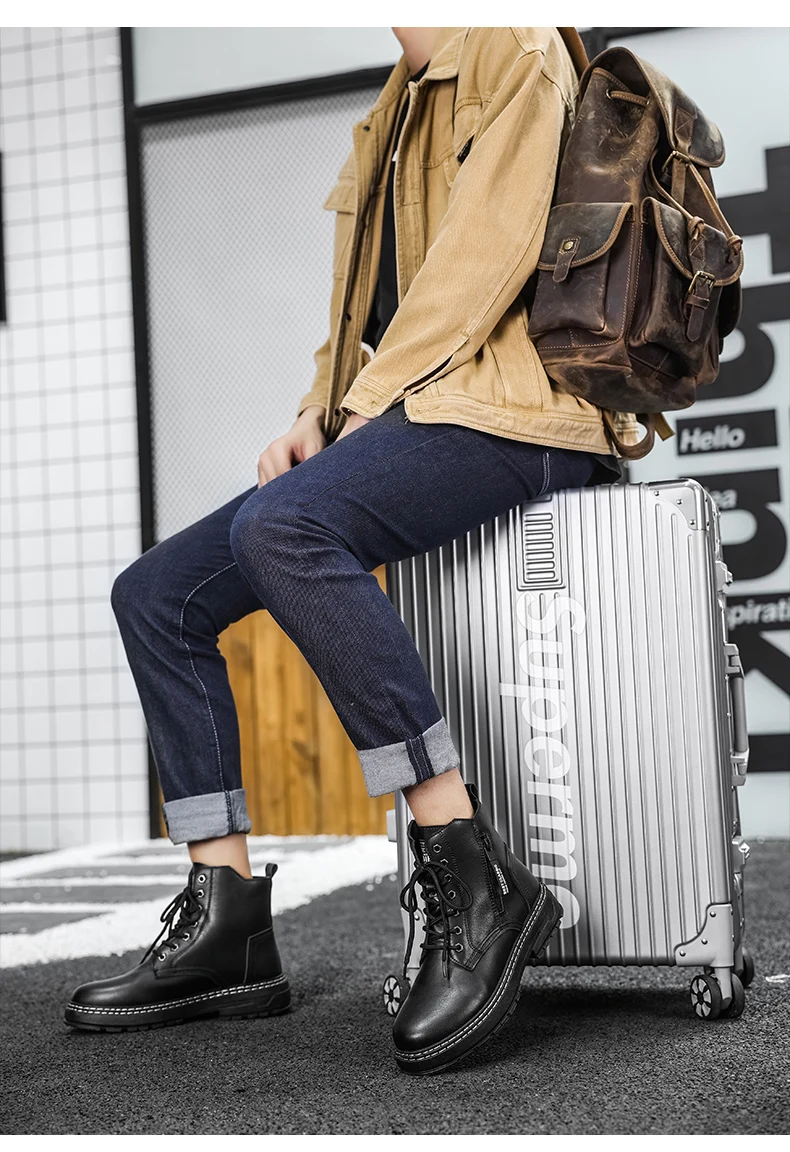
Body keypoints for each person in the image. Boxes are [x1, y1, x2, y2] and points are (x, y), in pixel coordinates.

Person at [64, 27, 643, 1073]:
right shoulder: (396, 101)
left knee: (282, 526)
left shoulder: (513, 47)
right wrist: (317, 410)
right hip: (425, 409)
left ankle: (472, 872)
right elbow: (367, 308)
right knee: (156, 594)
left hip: (526, 413)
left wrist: (369, 407)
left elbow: (483, 265)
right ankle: (227, 923)